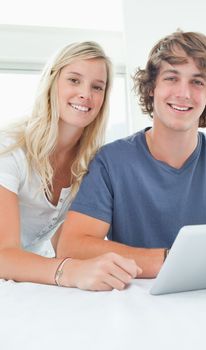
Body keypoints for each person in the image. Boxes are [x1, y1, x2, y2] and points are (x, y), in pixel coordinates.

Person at [57, 30, 206, 279]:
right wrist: (176, 261)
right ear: (151, 88)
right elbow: (72, 246)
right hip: (138, 302)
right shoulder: (111, 161)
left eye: (197, 81)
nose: (184, 93)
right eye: (171, 78)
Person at [0, 41, 141, 291]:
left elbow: (65, 244)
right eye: (74, 80)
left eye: (97, 87)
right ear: (52, 83)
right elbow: (3, 255)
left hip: (24, 282)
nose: (86, 93)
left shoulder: (92, 163)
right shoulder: (8, 149)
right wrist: (70, 271)